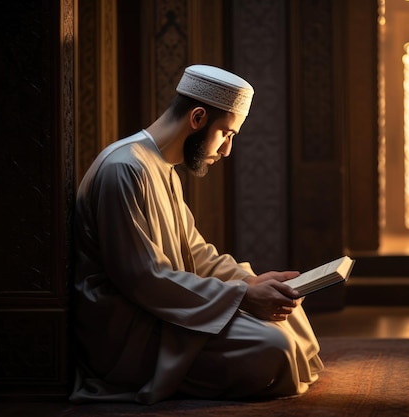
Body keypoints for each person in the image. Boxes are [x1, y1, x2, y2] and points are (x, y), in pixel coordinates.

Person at [69, 65, 324, 405]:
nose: (226, 150)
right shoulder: (124, 169)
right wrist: (243, 298)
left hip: (167, 305)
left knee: (289, 320)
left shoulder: (162, 167)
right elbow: (143, 278)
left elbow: (196, 253)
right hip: (130, 327)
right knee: (273, 347)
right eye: (226, 134)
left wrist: (251, 283)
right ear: (198, 117)